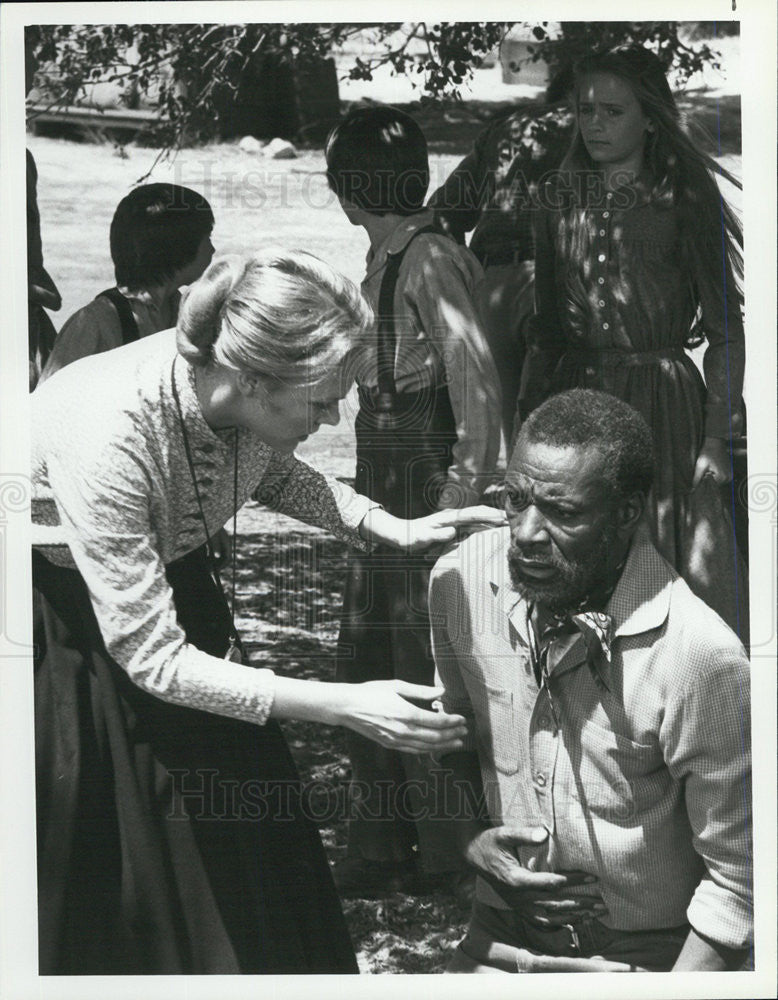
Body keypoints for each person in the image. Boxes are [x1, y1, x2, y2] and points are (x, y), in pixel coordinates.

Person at [32, 249, 505, 974]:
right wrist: (342, 705)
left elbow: (268, 467)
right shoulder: (112, 433)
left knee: (249, 844)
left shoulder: (233, 390)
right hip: (65, 628)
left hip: (167, 594)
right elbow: (153, 659)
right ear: (252, 381)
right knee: (136, 863)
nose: (337, 414)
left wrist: (388, 526)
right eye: (322, 402)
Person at [429, 389, 752, 974]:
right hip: (494, 939)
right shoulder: (461, 579)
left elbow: (742, 883)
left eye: (563, 512)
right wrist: (468, 840)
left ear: (628, 512)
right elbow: (450, 734)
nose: (525, 532)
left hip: (645, 962)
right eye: (515, 500)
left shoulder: (700, 657)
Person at [324, 106, 503, 896]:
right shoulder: (386, 258)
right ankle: (382, 842)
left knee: (427, 665)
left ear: (346, 190)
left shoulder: (429, 259)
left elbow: (479, 390)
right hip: (382, 471)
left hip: (426, 473)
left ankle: (451, 854)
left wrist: (457, 502)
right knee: (368, 655)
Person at [521, 45, 747, 642]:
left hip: (664, 406)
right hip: (580, 397)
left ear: (650, 117)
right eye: (584, 110)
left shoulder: (684, 196)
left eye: (612, 111)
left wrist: (718, 440)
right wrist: (529, 430)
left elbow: (726, 329)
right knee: (579, 563)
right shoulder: (557, 198)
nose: (594, 124)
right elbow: (545, 331)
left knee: (674, 573)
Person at [428, 69, 573, 444]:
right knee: (558, 428)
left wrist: (462, 283)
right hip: (556, 285)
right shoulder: (599, 129)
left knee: (517, 429)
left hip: (493, 286)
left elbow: (443, 212)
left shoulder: (507, 129)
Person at [39, 183, 215, 384]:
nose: (212, 249)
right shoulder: (96, 323)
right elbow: (50, 401)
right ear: (180, 247)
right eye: (207, 237)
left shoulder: (186, 313)